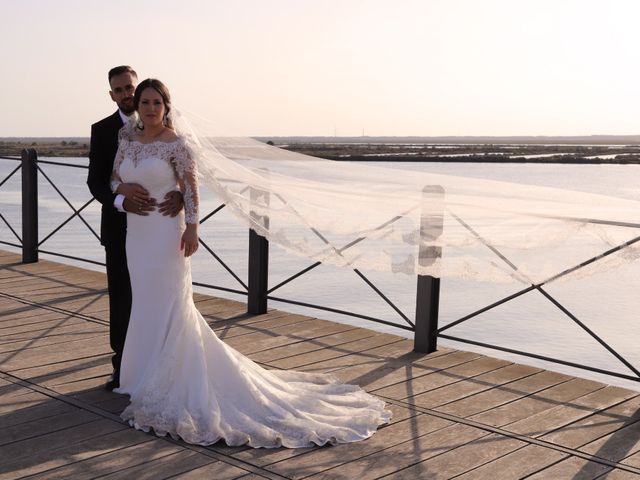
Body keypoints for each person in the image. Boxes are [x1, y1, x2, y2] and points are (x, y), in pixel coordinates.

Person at [110, 78, 391, 448]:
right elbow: (114, 176)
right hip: (137, 235)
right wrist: (122, 190)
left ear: (166, 106)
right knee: (145, 302)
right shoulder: (127, 139)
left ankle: (171, 377)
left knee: (169, 304)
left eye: (156, 102)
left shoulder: (176, 144)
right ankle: (139, 375)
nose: (149, 108)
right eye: (144, 102)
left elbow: (191, 188)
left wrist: (193, 227)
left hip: (165, 233)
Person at [87, 66, 182, 391]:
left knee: (161, 296)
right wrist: (120, 199)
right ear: (111, 94)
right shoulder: (102, 130)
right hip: (119, 229)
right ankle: (124, 369)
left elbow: (188, 173)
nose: (126, 94)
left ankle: (166, 365)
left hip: (160, 228)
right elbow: (96, 181)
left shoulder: (170, 127)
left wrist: (180, 196)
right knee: (123, 299)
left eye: (130, 87)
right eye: (119, 90)